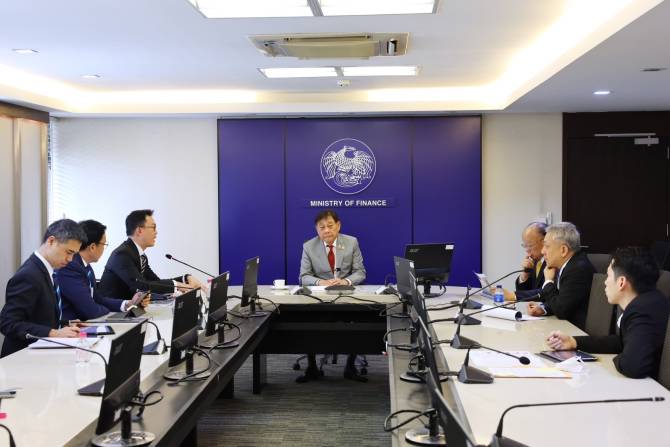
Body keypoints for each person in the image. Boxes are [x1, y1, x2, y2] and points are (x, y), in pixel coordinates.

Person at [546, 247, 669, 379]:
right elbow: (621, 342)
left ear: (621, 282)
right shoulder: (647, 302)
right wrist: (574, 342)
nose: (605, 282)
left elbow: (632, 366)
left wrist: (617, 358)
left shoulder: (642, 311)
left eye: (608, 276)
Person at [297, 209, 367, 383]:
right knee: (305, 321)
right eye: (322, 227)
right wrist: (320, 282)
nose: (326, 230)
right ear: (317, 230)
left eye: (330, 225)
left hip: (346, 297)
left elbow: (360, 272)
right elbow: (303, 276)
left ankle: (350, 367)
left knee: (360, 321)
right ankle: (312, 367)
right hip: (319, 300)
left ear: (338, 225)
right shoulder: (309, 246)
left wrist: (346, 281)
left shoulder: (351, 242)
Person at [0, 219, 86, 357]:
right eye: (68, 252)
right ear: (51, 241)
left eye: (74, 254)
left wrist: (65, 324)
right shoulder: (29, 275)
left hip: (39, 355)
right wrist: (54, 333)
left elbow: (38, 316)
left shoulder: (47, 271)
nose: (70, 259)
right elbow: (8, 323)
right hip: (21, 359)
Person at [56, 220, 150, 321]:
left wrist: (128, 304)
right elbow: (91, 311)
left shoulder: (86, 267)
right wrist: (109, 312)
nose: (104, 248)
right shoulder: (70, 267)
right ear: (92, 247)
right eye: (104, 244)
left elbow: (97, 299)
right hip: (69, 327)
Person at [99, 209, 203, 299]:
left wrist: (185, 279)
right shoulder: (122, 255)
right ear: (139, 230)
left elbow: (155, 282)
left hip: (129, 311)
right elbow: (142, 286)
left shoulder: (139, 255)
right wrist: (179, 286)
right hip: (111, 312)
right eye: (153, 227)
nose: (156, 232)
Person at [526, 222, 595, 331]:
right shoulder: (569, 265)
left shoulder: (577, 269)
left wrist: (548, 281)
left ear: (563, 250)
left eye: (547, 246)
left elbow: (562, 310)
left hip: (577, 333)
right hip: (565, 328)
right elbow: (562, 300)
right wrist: (544, 309)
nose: (543, 251)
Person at [500, 222, 547, 301]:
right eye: (525, 246)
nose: (527, 250)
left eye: (530, 245)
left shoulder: (554, 262)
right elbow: (525, 292)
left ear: (544, 241)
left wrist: (514, 295)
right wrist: (524, 275)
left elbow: (547, 292)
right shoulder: (535, 261)